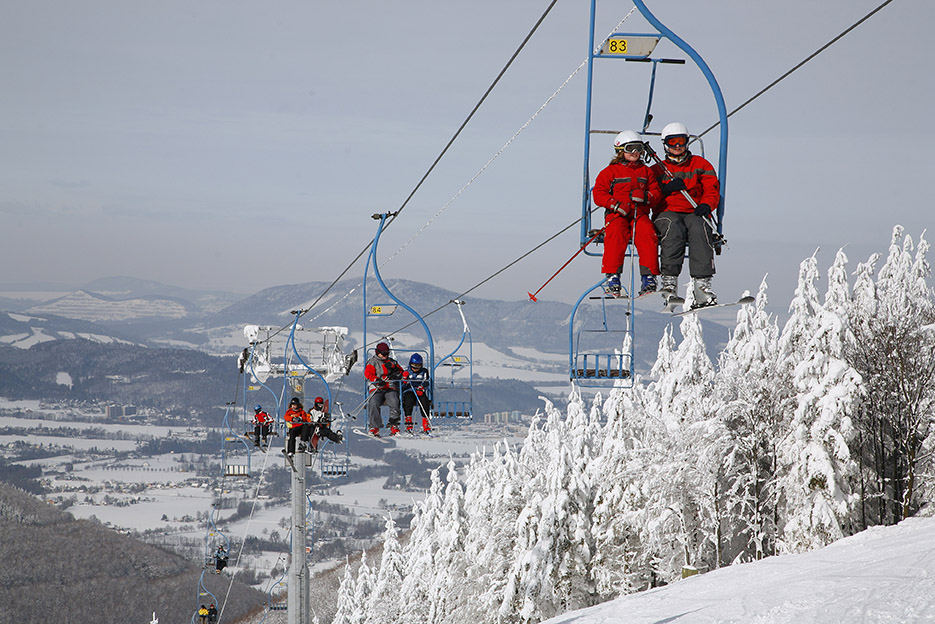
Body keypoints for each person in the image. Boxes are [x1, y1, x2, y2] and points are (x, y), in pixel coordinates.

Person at [650, 122, 721, 307]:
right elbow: (649, 194)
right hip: (667, 212)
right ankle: (669, 283)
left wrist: (706, 204)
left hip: (694, 210)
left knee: (700, 228)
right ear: (665, 144)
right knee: (673, 229)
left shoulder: (700, 164)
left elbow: (712, 189)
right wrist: (665, 189)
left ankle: (702, 286)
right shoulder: (657, 169)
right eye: (673, 142)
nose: (678, 146)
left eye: (681, 141)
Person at [591, 130, 661, 297]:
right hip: (617, 214)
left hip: (639, 214)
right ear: (620, 150)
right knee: (615, 234)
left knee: (647, 234)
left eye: (638, 148)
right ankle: (612, 276)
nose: (635, 153)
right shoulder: (610, 172)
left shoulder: (646, 172)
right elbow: (599, 194)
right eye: (631, 149)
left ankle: (648, 276)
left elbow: (656, 193)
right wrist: (615, 205)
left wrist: (645, 197)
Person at [364, 342, 405, 436]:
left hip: (389, 387)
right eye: (383, 354)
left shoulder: (391, 362)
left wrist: (396, 375)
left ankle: (394, 424)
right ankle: (375, 426)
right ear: (377, 352)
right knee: (373, 402)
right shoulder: (372, 362)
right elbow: (368, 374)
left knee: (394, 400)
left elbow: (401, 371)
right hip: (377, 387)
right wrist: (376, 380)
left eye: (387, 354)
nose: (385, 356)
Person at [402, 353, 432, 434]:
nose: (415, 368)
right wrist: (404, 380)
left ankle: (426, 424)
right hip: (409, 390)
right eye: (414, 366)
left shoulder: (424, 371)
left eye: (418, 366)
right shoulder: (406, 371)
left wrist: (422, 387)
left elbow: (426, 381)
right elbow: (401, 386)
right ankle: (409, 423)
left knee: (425, 402)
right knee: (408, 401)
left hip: (419, 390)